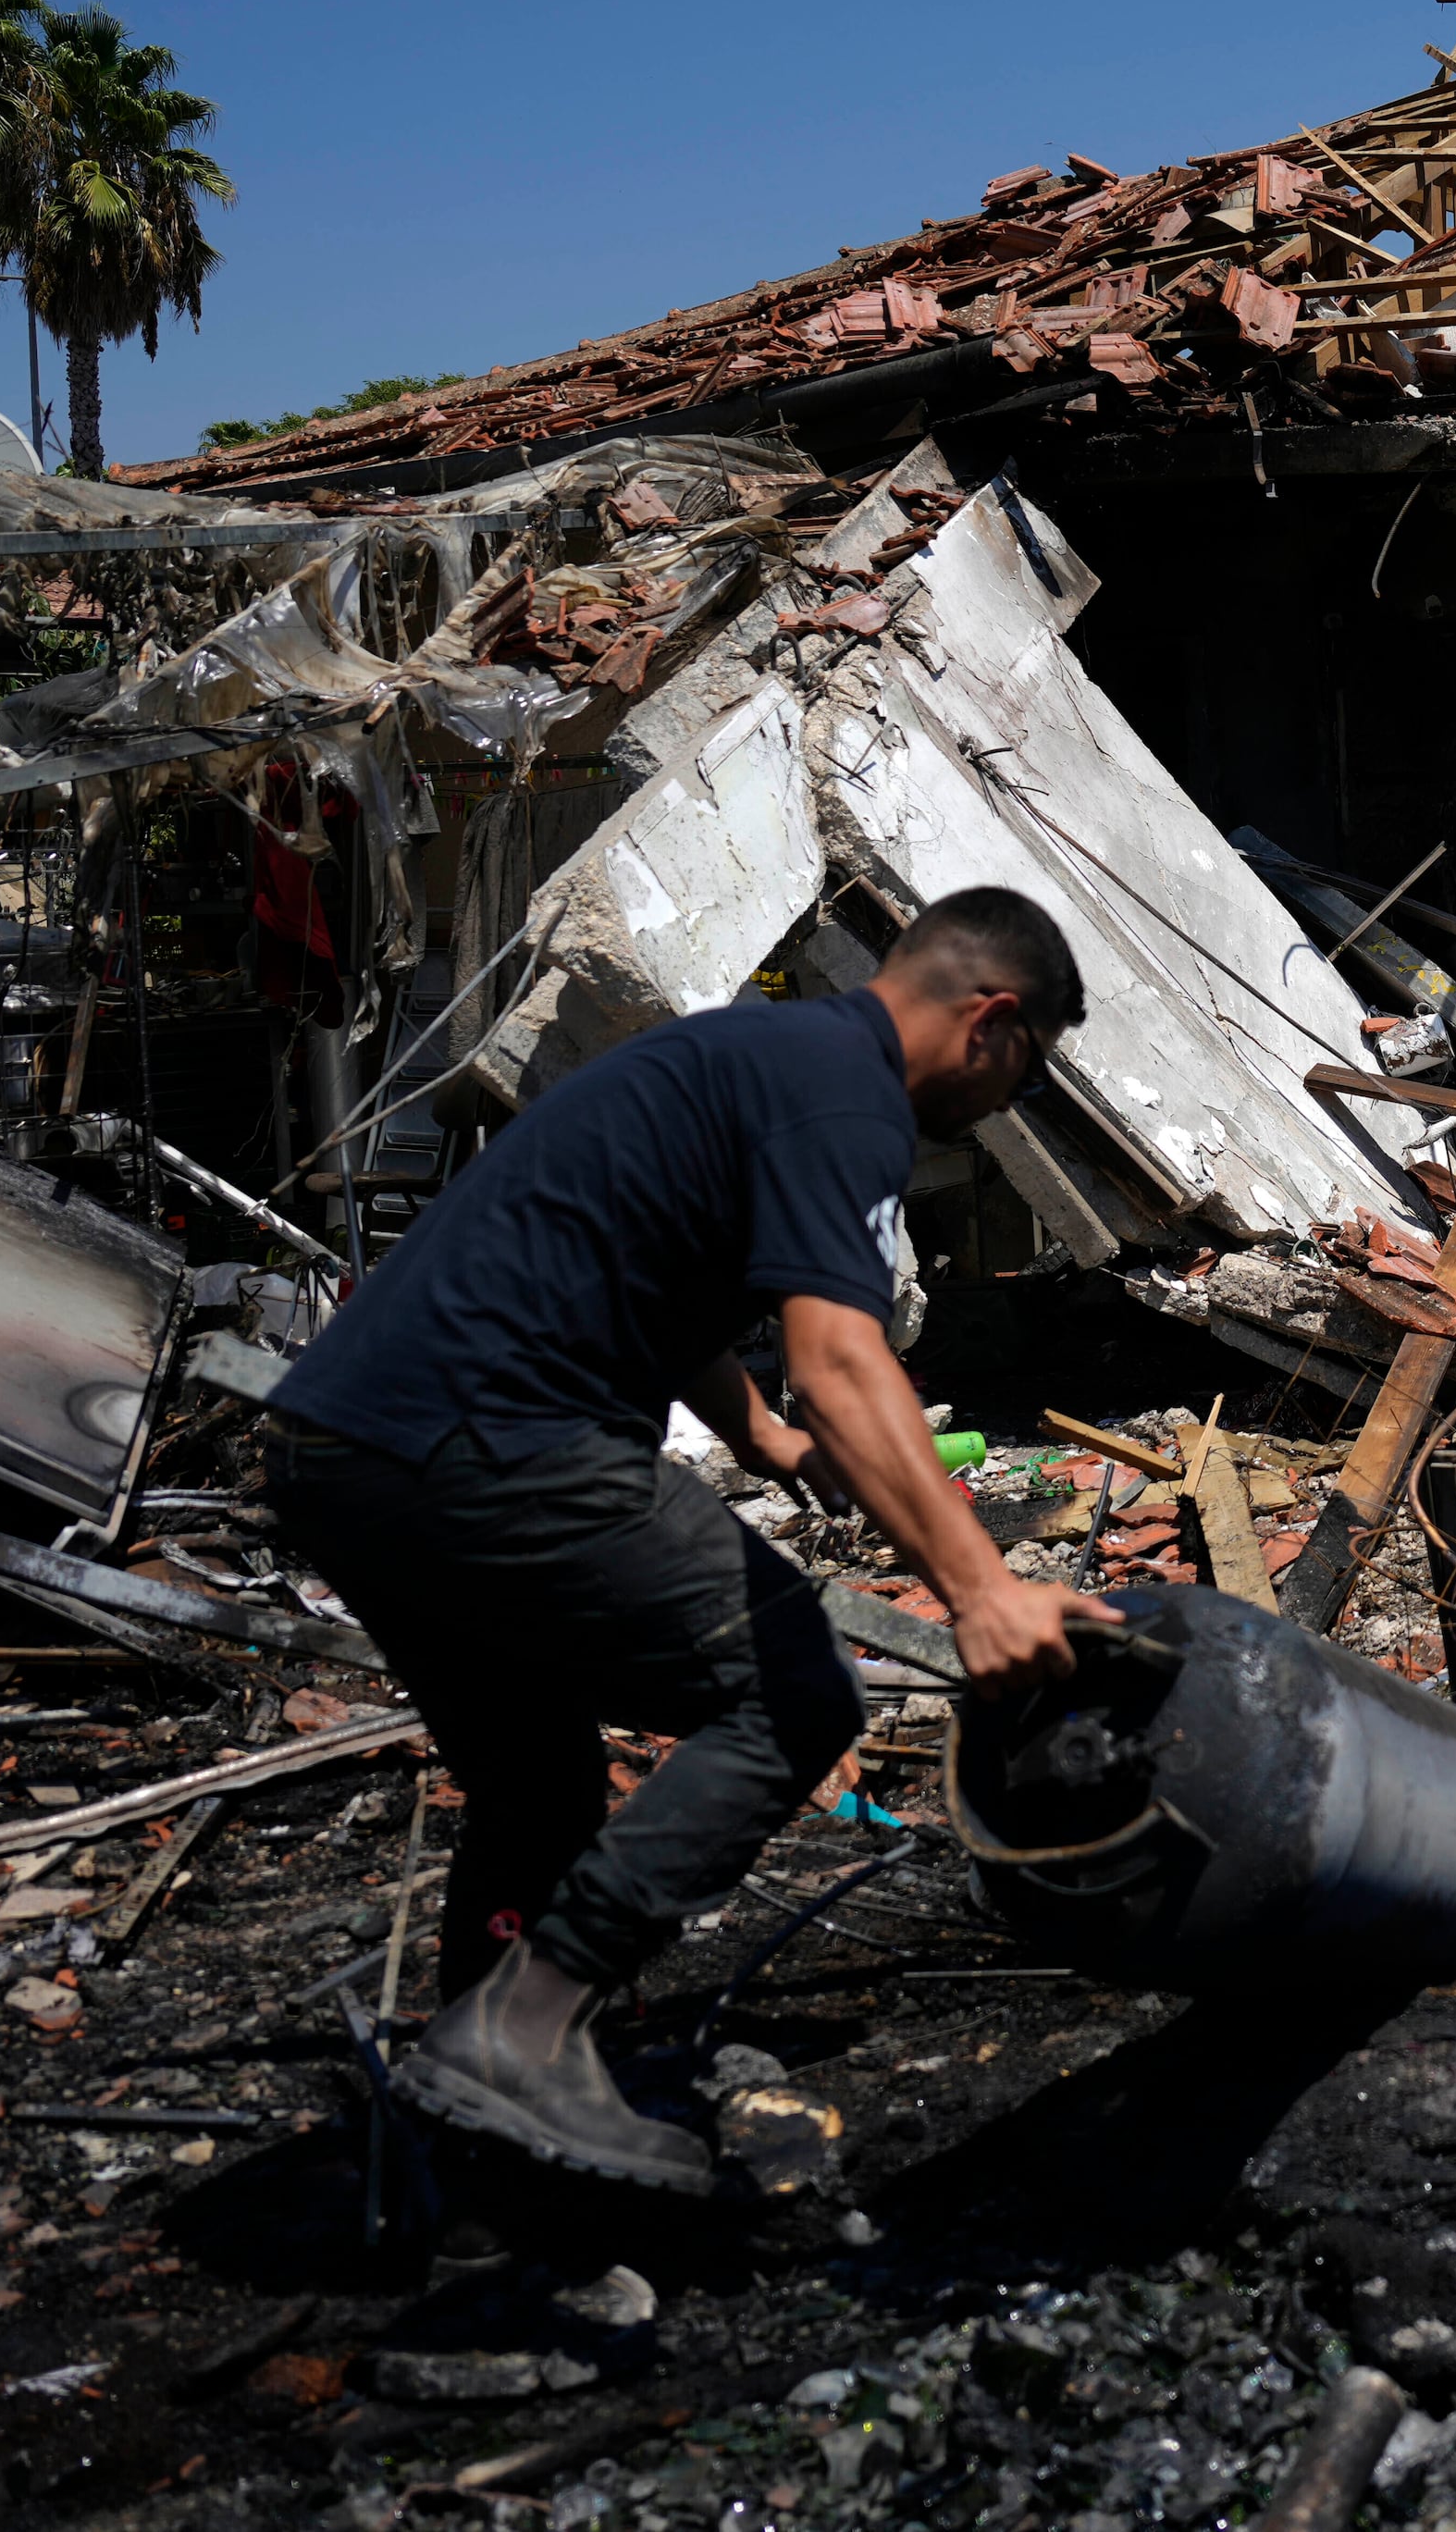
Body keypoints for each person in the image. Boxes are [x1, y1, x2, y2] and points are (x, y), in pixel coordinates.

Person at [265, 884, 1120, 2189]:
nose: (1004, 1106)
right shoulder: (850, 1096)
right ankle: (524, 2020)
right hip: (490, 1434)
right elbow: (841, 1354)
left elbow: (666, 1287)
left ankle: (489, 2112)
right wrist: (981, 1588)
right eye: (1023, 1072)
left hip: (347, 1450)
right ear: (992, 1021)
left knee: (539, 1773)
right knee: (786, 1684)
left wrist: (762, 1435)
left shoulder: (761, 1059)